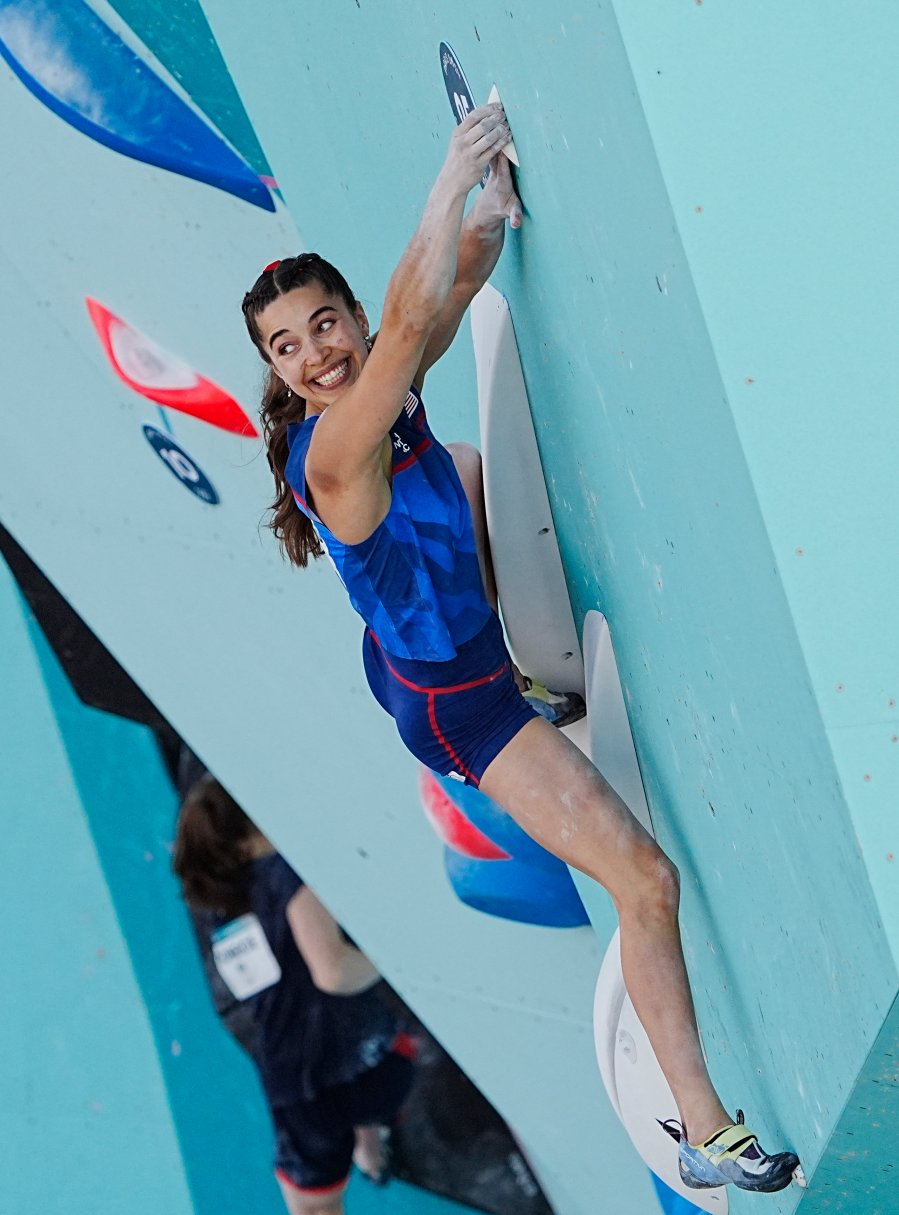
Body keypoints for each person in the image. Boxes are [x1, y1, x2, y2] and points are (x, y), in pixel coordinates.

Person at [240, 104, 799, 1193]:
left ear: (344, 316)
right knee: (644, 880)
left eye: (321, 326)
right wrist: (444, 179)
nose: (312, 355)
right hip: (463, 706)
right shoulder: (335, 457)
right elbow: (405, 324)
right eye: (284, 346)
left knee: (455, 456)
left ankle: (521, 666)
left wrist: (490, 209)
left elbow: (439, 303)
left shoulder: (385, 395)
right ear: (274, 366)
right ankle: (702, 1127)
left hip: (424, 654)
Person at [173, 777, 414, 1214]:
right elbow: (334, 972)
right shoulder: (287, 874)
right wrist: (398, 961)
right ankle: (370, 1148)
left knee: (313, 1206)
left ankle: (364, 1150)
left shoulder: (219, 907)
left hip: (292, 1083)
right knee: (364, 1089)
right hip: (376, 1062)